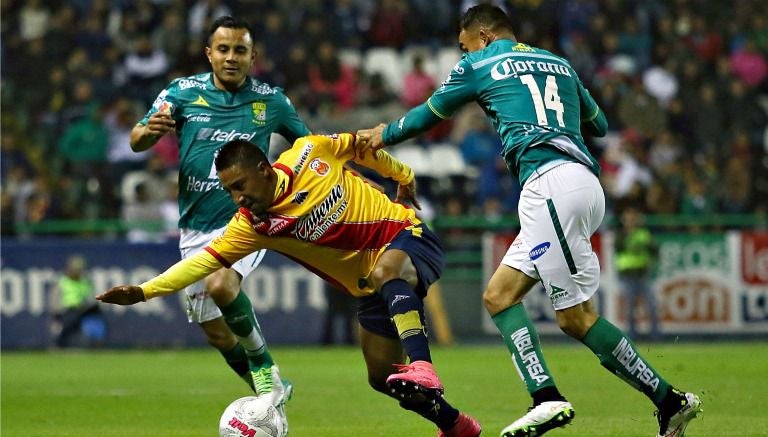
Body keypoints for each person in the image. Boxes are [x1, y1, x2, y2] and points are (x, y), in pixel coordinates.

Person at [356, 5, 701, 437]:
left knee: (575, 318)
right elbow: (599, 123)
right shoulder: (558, 62)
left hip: (550, 184)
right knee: (499, 296)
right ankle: (660, 404)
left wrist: (383, 133)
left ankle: (564, 399)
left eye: (463, 45)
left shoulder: (480, 63)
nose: (462, 53)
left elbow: (432, 112)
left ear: (481, 35)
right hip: (580, 184)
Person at [97, 133, 481, 437]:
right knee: (382, 379)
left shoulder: (311, 153)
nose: (237, 198)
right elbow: (201, 263)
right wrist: (146, 291)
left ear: (264, 169)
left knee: (386, 274)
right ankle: (455, 425)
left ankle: (424, 366)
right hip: (369, 287)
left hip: (406, 237)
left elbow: (362, 148)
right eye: (229, 190)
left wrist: (403, 176)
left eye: (240, 185)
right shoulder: (252, 225)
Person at [129, 16, 310, 406]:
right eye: (223, 49)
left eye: (240, 50)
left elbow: (309, 147)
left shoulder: (271, 100)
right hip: (195, 227)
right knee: (216, 332)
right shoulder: (181, 93)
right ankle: (271, 393)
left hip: (249, 217)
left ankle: (265, 371)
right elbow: (136, 140)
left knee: (221, 285)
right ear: (209, 54)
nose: (231, 57)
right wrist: (149, 132)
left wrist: (282, 184)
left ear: (252, 56)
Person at [615, 206, 660, 341]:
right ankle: (632, 336)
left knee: (651, 306)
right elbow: (618, 247)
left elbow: (654, 250)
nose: (631, 221)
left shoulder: (643, 234)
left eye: (633, 218)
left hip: (642, 273)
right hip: (627, 274)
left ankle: (656, 336)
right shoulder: (621, 234)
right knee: (630, 308)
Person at [51, 255, 107, 348]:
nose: (77, 272)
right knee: (68, 322)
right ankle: (59, 345)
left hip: (83, 310)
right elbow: (55, 300)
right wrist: (56, 313)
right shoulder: (63, 281)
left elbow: (92, 296)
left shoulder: (85, 281)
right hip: (67, 311)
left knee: (95, 316)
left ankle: (96, 343)